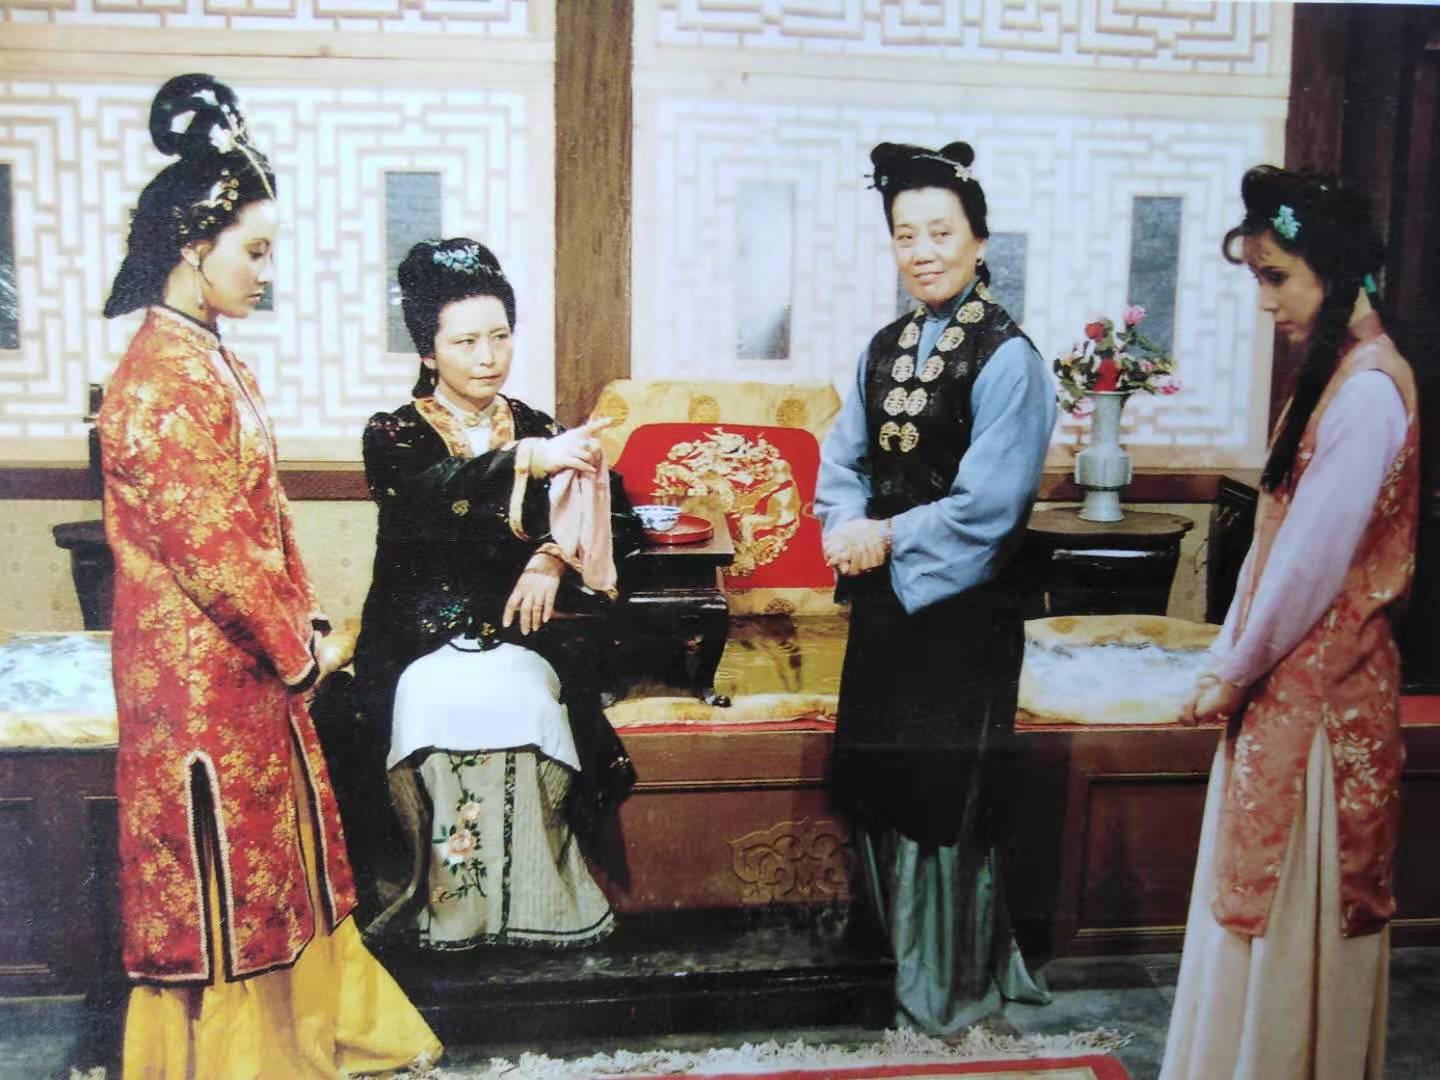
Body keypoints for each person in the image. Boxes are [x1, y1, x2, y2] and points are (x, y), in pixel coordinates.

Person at [97, 74, 440, 1076]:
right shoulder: (158, 383)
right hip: (194, 678)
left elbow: (266, 519)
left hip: (246, 668)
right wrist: (298, 647)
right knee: (223, 870)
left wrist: (309, 624)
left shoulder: (213, 359)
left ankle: (299, 1034)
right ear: (190, 246)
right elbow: (209, 547)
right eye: (253, 250)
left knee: (275, 862)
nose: (264, 271)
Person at [1160, 166, 1417, 1079]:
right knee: (1254, 919)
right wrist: (1229, 659)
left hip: (1324, 708)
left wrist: (1232, 670)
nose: (1266, 302)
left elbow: (1310, 567)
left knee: (1293, 921)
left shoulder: (1370, 391)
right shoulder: (1332, 378)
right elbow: (1274, 548)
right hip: (1286, 692)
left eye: (1277, 278)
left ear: (1334, 270)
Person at [815, 141, 1056, 1035]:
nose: (922, 251)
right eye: (905, 234)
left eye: (941, 232)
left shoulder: (1010, 358)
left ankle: (949, 986)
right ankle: (892, 967)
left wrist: (884, 535)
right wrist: (846, 522)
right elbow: (841, 460)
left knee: (942, 797)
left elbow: (990, 506)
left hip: (964, 613)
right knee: (883, 784)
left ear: (980, 241)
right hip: (887, 606)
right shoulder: (882, 349)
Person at [347, 238, 639, 950]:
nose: (488, 357)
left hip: (524, 630)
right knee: (426, 706)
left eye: (500, 336)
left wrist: (551, 556)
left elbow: (620, 517)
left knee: (535, 703)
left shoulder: (538, 424)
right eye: (466, 341)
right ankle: (445, 906)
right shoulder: (393, 435)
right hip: (419, 632)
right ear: (428, 352)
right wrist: (529, 462)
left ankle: (541, 902)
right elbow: (428, 499)